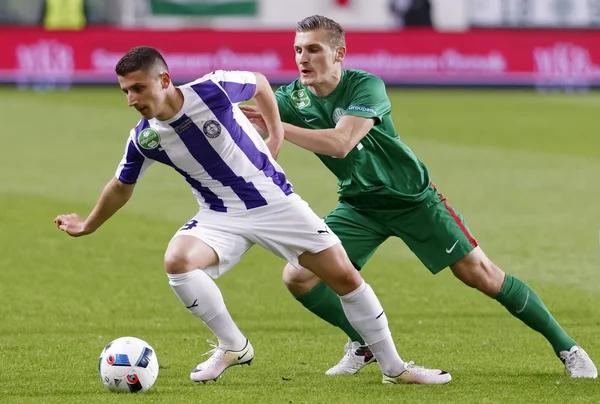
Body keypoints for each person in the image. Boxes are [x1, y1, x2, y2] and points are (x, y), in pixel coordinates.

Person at [54, 46, 452, 385]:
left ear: (164, 81)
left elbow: (260, 82)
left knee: (346, 278)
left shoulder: (212, 89)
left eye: (138, 88)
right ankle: (233, 346)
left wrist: (276, 132)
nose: (131, 99)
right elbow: (121, 185)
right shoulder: (145, 137)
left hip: (276, 205)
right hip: (218, 215)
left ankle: (395, 369)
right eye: (125, 91)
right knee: (178, 261)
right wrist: (88, 224)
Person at [240, 15, 597, 379]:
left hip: (412, 199)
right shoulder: (292, 97)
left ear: (339, 54)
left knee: (482, 275)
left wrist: (277, 127)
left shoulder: (365, 86)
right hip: (359, 206)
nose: (302, 58)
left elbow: (341, 143)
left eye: (314, 49)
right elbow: (242, 114)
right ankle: (364, 345)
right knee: (299, 277)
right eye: (298, 49)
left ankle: (568, 348)